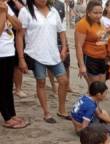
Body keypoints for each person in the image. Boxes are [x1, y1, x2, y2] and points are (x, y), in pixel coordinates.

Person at [17, 0, 69, 123]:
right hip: (36, 54)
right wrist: (21, 59)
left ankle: (62, 110)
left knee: (64, 81)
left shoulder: (53, 11)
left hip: (53, 53)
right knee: (41, 82)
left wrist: (64, 47)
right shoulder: (26, 11)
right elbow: (20, 36)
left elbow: (61, 31)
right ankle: (46, 113)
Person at [0, 0, 29, 128]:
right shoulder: (3, 8)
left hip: (8, 51)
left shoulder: (6, 7)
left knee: (7, 85)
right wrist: (2, 13)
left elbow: (18, 26)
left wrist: (6, 12)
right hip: (0, 53)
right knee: (1, 87)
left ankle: (12, 114)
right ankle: (7, 117)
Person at [75, 0, 107, 86]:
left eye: (100, 12)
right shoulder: (83, 24)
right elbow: (78, 46)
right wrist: (82, 66)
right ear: (88, 13)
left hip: (101, 58)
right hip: (90, 59)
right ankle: (85, 100)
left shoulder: (100, 22)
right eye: (95, 13)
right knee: (95, 89)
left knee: (101, 87)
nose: (99, 15)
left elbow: (101, 39)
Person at [49, 0, 73, 93]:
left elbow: (62, 22)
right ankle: (53, 85)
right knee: (50, 63)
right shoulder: (45, 4)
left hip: (62, 35)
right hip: (50, 36)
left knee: (67, 62)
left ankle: (67, 85)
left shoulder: (61, 4)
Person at [7, 0, 27, 98]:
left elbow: (25, 12)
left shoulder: (19, 2)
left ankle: (18, 89)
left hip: (16, 34)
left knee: (17, 63)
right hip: (4, 35)